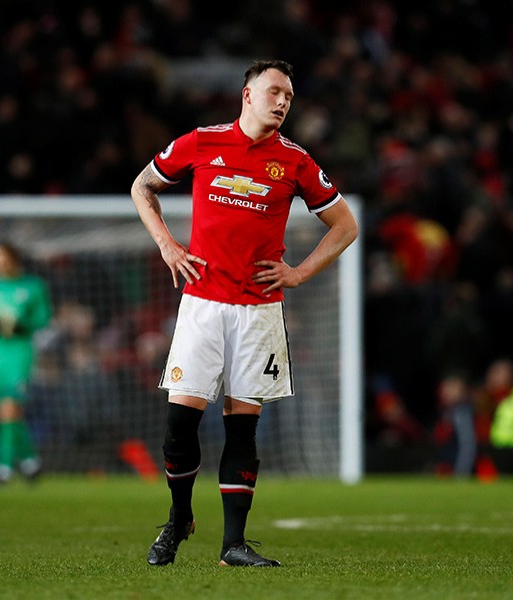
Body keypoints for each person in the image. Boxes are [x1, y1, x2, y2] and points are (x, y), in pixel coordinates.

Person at [130, 59, 358, 567]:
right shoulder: (201, 142)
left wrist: (298, 272)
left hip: (258, 313)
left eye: (290, 97)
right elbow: (142, 187)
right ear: (247, 95)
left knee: (241, 429)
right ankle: (178, 519)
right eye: (275, 91)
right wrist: (168, 245)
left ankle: (233, 544)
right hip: (203, 306)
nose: (282, 102)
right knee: (179, 427)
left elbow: (345, 225)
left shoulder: (296, 162)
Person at [0, 241, 52, 484]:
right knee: (6, 413)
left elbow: (43, 317)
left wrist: (21, 324)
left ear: (13, 259)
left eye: (1, 257)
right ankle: (30, 461)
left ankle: (2, 468)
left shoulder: (33, 286)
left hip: (20, 352)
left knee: (9, 408)